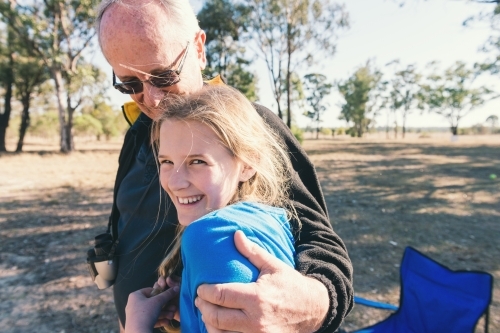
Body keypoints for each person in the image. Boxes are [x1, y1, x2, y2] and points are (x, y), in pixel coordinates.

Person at [95, 0, 353, 332]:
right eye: (130, 84)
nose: (153, 99)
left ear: (199, 48)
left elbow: (319, 239)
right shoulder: (137, 134)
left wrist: (314, 302)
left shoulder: (250, 126)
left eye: (163, 75)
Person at [125, 85, 299, 333]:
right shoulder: (273, 217)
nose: (174, 182)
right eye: (166, 162)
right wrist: (189, 307)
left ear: (248, 163)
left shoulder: (210, 235)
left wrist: (136, 326)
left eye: (197, 161)